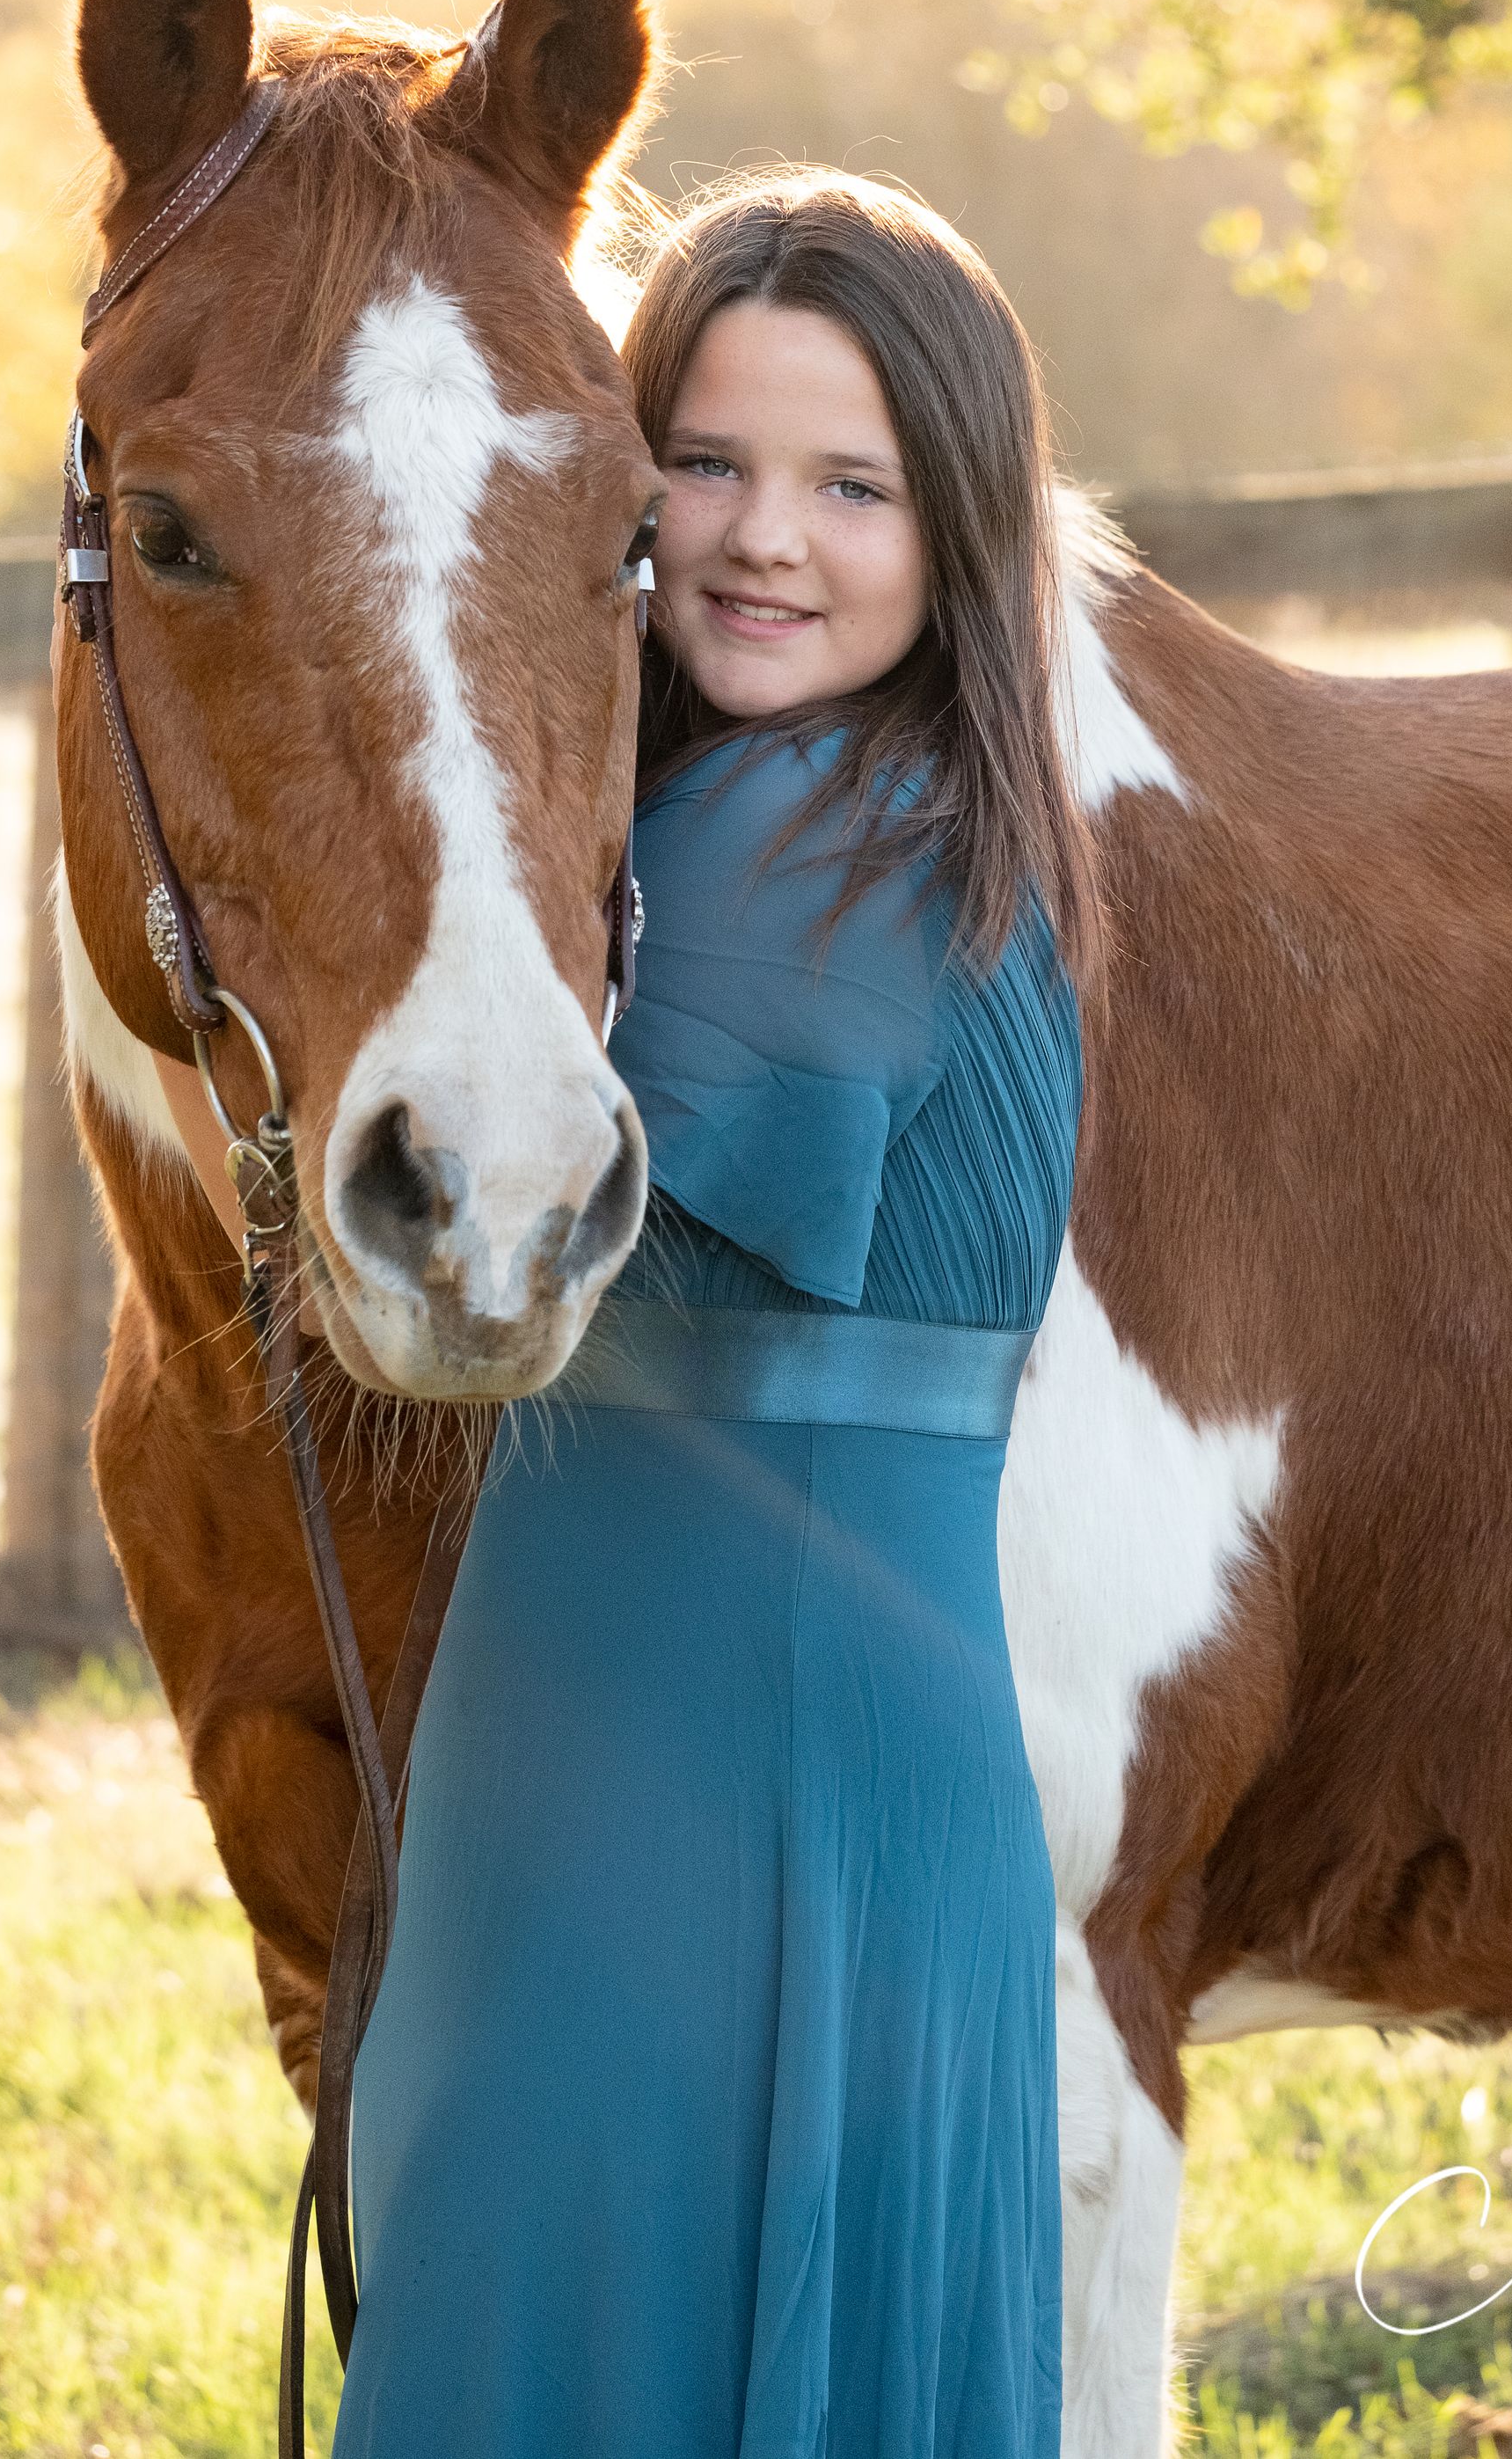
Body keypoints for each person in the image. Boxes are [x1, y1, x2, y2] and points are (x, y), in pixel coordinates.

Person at [327, 170, 1098, 2455]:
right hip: (727, 1731)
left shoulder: (794, 843)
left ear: (957, 524)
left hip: (698, 1775)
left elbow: (468, 1160)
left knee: (566, 2340)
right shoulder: (909, 798)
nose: (768, 536)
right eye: (714, 462)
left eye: (852, 486)